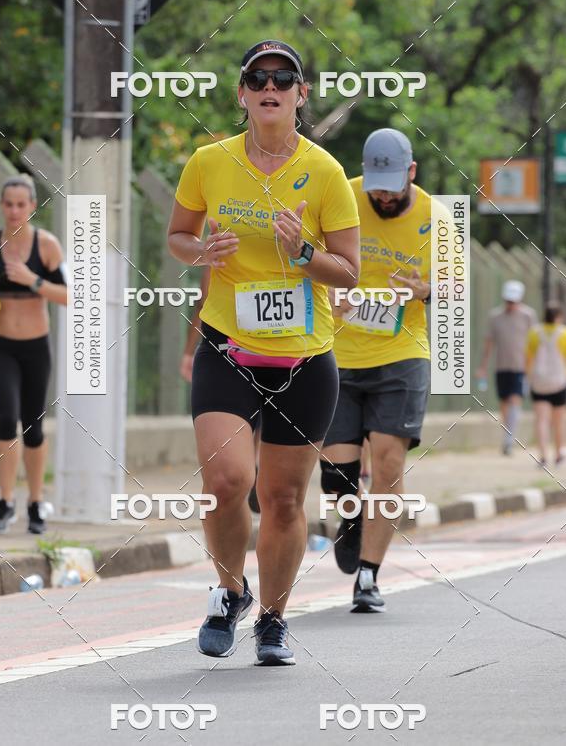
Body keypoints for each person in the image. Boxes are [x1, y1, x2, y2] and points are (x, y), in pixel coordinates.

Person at [168, 39, 360, 665]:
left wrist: (304, 253)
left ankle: (274, 620)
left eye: (284, 77)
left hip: (304, 359)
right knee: (226, 482)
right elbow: (177, 236)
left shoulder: (326, 172)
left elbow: (349, 274)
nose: (270, 86)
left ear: (301, 94)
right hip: (228, 344)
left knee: (282, 499)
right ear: (243, 94)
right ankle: (229, 591)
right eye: (258, 77)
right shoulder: (208, 162)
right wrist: (204, 252)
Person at [320, 128, 432, 613]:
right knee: (336, 475)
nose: (383, 195)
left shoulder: (437, 218)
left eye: (392, 184)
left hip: (402, 355)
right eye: (375, 185)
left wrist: (423, 291)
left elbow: (458, 288)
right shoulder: (341, 194)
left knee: (388, 463)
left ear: (411, 172)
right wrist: (329, 290)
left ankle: (369, 575)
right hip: (339, 356)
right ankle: (349, 518)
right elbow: (305, 259)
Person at [0, 174, 68, 534]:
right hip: (0, 345)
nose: (14, 210)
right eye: (8, 204)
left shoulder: (47, 246)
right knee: (6, 419)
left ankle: (35, 501)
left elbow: (71, 295)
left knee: (34, 426)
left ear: (32, 207)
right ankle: (5, 500)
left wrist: (32, 280)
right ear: (1, 205)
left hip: (36, 346)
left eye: (21, 204)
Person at [180, 267, 261, 513]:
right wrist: (188, 351)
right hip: (230, 353)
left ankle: (257, 466)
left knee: (267, 415)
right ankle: (249, 468)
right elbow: (203, 305)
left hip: (284, 352)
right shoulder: (222, 250)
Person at [477, 280, 537, 455]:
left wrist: (532, 366)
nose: (511, 304)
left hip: (521, 366)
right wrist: (483, 367)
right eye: (508, 300)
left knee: (515, 399)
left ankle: (509, 440)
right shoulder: (495, 317)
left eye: (514, 301)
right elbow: (489, 343)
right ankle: (507, 435)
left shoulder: (528, 316)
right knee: (504, 402)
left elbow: (533, 343)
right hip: (501, 366)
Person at [526, 302, 566, 467]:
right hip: (558, 382)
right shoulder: (564, 333)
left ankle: (542, 456)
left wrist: (528, 376)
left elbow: (528, 358)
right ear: (558, 317)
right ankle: (559, 454)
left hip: (539, 382)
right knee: (558, 421)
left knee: (541, 420)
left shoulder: (534, 333)